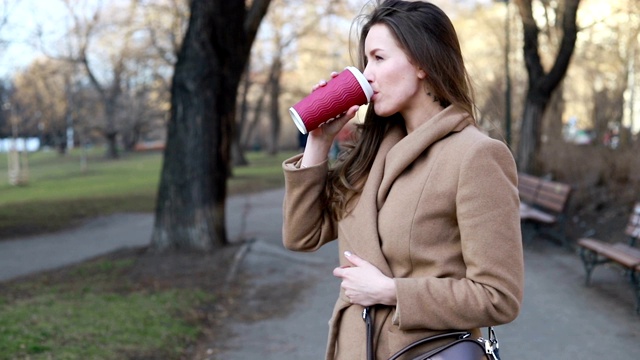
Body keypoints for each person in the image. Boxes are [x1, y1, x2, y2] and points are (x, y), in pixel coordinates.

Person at [282, 1, 524, 359]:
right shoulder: (370, 154)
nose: (367, 75)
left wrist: (391, 291)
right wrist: (319, 141)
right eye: (366, 61)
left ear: (423, 63)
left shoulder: (476, 156)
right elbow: (302, 235)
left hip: (423, 352)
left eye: (378, 58)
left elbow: (499, 297)